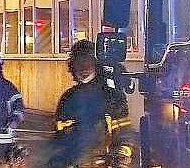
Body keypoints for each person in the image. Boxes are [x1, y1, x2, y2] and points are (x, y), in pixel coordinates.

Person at [44, 40, 130, 168]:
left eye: (87, 61)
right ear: (72, 66)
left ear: (96, 64)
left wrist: (122, 157)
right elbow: (59, 137)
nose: (83, 67)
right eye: (78, 63)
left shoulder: (111, 96)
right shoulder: (68, 98)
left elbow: (123, 133)